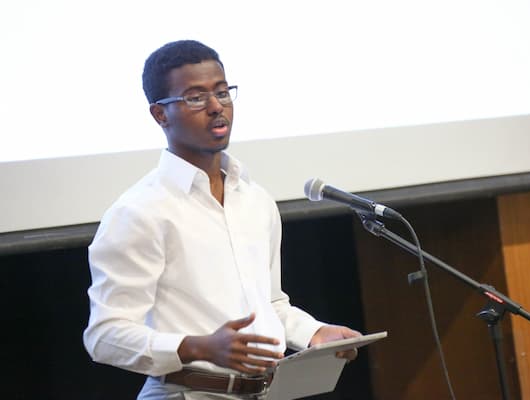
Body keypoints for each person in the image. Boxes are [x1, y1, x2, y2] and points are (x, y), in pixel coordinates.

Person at [83, 39, 361, 400]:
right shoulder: (139, 212)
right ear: (160, 114)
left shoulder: (255, 199)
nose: (216, 107)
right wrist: (197, 347)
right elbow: (104, 336)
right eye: (196, 98)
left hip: (267, 392)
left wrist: (314, 333)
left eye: (222, 92)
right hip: (187, 393)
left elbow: (271, 303)